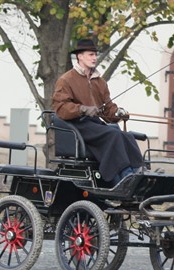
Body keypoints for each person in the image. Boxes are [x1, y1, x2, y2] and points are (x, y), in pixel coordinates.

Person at [52, 39, 143, 186]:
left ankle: (138, 171)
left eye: (95, 55)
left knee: (127, 136)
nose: (94, 58)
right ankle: (125, 177)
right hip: (78, 125)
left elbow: (108, 108)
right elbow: (61, 108)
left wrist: (118, 113)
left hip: (95, 125)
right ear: (80, 56)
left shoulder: (99, 82)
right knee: (113, 134)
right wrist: (82, 109)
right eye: (90, 54)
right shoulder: (66, 80)